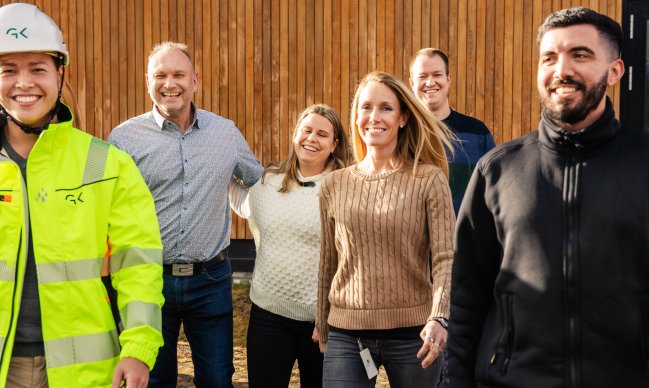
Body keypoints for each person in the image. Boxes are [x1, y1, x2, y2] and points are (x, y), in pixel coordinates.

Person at [446, 7, 649, 388]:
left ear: (615, 71)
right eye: (549, 58)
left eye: (580, 55)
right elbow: (466, 297)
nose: (561, 70)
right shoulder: (497, 171)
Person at [0, 3, 164, 387]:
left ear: (60, 73)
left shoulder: (108, 164)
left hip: (84, 370)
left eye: (38, 69)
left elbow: (138, 263)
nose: (24, 83)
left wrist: (138, 347)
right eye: (8, 70)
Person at [108, 41, 262, 388]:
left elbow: (261, 183)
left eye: (179, 74)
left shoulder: (225, 133)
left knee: (218, 379)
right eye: (160, 75)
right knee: (153, 380)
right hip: (148, 282)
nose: (169, 83)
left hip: (211, 280)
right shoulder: (123, 139)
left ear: (196, 81)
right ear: (147, 81)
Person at [316, 71, 455, 387]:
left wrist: (439, 317)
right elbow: (327, 260)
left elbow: (447, 257)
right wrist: (322, 325)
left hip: (414, 335)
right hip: (347, 336)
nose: (373, 117)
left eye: (385, 108)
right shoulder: (334, 184)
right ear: (355, 116)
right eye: (365, 107)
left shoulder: (429, 180)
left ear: (404, 117)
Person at [228, 103, 350, 387]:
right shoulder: (269, 182)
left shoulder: (344, 187)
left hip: (323, 324)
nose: (311, 138)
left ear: (334, 145)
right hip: (268, 318)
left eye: (322, 134)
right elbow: (245, 203)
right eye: (306, 130)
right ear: (295, 135)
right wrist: (211, 171)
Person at [409, 48, 496, 214]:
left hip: (466, 237)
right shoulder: (404, 133)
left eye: (437, 75)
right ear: (412, 84)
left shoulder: (477, 132)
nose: (430, 82)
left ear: (448, 79)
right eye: (422, 76)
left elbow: (495, 189)